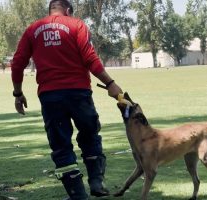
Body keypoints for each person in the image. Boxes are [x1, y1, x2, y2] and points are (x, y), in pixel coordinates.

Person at [11, 0, 123, 199]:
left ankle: (77, 194)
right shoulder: (76, 25)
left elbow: (17, 63)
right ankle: (96, 182)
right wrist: (110, 83)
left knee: (61, 145)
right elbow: (90, 58)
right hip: (79, 93)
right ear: (68, 10)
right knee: (90, 135)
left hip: (50, 96)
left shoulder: (33, 29)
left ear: (51, 10)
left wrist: (18, 93)